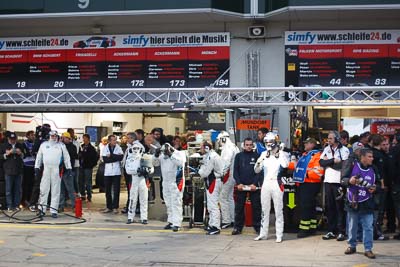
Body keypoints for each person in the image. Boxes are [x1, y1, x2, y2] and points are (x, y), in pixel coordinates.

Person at [342, 148, 378, 259]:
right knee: (352, 226)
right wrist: (350, 181)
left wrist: (375, 188)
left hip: (367, 202)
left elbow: (378, 184)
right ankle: (352, 246)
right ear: (362, 157)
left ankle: (368, 249)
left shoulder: (374, 168)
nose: (372, 158)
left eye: (372, 156)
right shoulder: (352, 165)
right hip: (353, 200)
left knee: (368, 227)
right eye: (369, 156)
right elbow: (342, 180)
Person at [254, 132, 289, 242]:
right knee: (264, 210)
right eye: (266, 142)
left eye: (270, 142)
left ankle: (279, 234)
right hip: (266, 183)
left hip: (277, 183)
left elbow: (285, 165)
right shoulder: (264, 154)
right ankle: (263, 233)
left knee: (278, 210)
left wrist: (279, 152)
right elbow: (256, 170)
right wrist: (259, 162)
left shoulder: (281, 153)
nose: (268, 144)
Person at [291, 137, 324, 238]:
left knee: (306, 207)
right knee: (310, 206)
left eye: (307, 143)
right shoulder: (305, 155)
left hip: (311, 184)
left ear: (312, 144)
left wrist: (304, 174)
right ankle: (312, 227)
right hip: (304, 183)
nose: (304, 145)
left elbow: (318, 172)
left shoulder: (317, 156)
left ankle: (304, 230)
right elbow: (297, 167)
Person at [320, 131, 350, 241]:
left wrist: (329, 163)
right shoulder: (327, 149)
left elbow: (344, 165)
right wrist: (332, 161)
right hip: (328, 181)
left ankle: (341, 231)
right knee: (330, 207)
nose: (328, 140)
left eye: (331, 138)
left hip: (339, 182)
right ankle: (331, 231)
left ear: (336, 138)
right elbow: (321, 162)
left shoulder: (344, 150)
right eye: (328, 138)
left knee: (340, 207)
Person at [35, 131, 72, 218]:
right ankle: (41, 209)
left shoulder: (61, 145)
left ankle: (54, 210)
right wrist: (37, 166)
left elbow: (66, 157)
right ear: (49, 136)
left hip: (56, 169)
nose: (53, 137)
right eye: (52, 135)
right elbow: (39, 156)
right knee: (43, 189)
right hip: (46, 169)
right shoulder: (44, 145)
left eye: (55, 135)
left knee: (56, 190)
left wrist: (69, 167)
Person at [153, 143, 186, 231]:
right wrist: (155, 155)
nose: (164, 153)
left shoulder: (179, 154)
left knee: (176, 203)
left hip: (176, 182)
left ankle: (177, 223)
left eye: (165, 152)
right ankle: (171, 221)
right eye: (163, 152)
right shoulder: (163, 155)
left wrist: (170, 155)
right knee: (168, 202)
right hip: (166, 182)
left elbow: (180, 163)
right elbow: (155, 164)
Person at [232, 138, 261, 235]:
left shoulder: (257, 156)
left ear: (253, 145)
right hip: (241, 186)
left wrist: (254, 184)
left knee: (256, 207)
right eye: (247, 144)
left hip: (253, 186)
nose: (248, 146)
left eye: (250, 144)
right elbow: (235, 171)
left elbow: (259, 172)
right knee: (239, 208)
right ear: (243, 145)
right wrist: (239, 183)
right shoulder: (238, 156)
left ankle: (258, 227)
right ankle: (237, 227)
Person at [198, 141, 224, 235]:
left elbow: (205, 172)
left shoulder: (211, 157)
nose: (200, 149)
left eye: (201, 147)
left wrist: (200, 170)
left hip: (214, 181)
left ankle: (216, 226)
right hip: (213, 180)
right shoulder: (210, 155)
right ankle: (212, 224)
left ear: (206, 148)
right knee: (211, 205)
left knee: (213, 205)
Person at [217, 131, 240, 229]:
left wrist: (222, 173)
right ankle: (232, 219)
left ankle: (226, 220)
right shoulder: (234, 146)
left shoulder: (228, 148)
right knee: (230, 198)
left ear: (223, 139)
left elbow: (226, 162)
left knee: (223, 198)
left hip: (228, 175)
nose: (219, 143)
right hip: (233, 175)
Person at [126, 142, 152, 224]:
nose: (136, 150)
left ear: (141, 149)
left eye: (137, 148)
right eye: (134, 148)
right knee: (132, 199)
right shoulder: (129, 159)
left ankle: (144, 218)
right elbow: (128, 170)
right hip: (134, 180)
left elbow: (151, 169)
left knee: (144, 199)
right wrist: (136, 171)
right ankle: (130, 217)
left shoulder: (145, 157)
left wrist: (147, 171)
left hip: (143, 180)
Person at [0, 132, 24, 211]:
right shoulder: (3, 146)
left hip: (18, 170)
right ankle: (10, 205)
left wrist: (20, 153)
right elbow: (1, 156)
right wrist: (7, 154)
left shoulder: (20, 145)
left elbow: (25, 155)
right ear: (8, 139)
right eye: (11, 139)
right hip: (8, 171)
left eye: (14, 139)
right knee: (8, 190)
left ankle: (16, 205)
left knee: (18, 189)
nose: (13, 141)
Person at [101, 134, 123, 214]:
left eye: (115, 140)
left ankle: (115, 207)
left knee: (116, 190)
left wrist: (111, 156)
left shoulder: (118, 148)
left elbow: (120, 158)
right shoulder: (105, 148)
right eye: (113, 140)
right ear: (109, 141)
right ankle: (108, 206)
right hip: (108, 172)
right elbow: (105, 159)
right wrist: (115, 158)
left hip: (116, 172)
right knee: (108, 191)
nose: (115, 141)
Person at [59, 132, 78, 211]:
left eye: (64, 138)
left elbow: (70, 155)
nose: (63, 139)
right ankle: (61, 205)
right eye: (62, 138)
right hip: (61, 171)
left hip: (68, 171)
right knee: (61, 190)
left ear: (68, 138)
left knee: (70, 189)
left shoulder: (72, 147)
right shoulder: (60, 146)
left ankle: (74, 206)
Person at [121, 132, 138, 213]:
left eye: (128, 138)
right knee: (129, 190)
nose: (126, 140)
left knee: (132, 190)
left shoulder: (136, 147)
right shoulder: (129, 147)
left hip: (132, 173)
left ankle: (131, 207)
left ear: (132, 138)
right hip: (127, 171)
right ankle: (129, 206)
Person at [79, 134, 99, 202]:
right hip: (81, 166)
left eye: (85, 138)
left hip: (88, 167)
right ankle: (83, 195)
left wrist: (92, 164)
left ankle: (89, 195)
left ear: (88, 139)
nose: (84, 139)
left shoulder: (91, 148)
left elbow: (96, 157)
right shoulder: (81, 146)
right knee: (81, 181)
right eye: (83, 138)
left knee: (88, 182)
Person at [21, 130, 35, 207]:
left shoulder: (36, 144)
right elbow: (26, 154)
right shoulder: (24, 144)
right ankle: (24, 200)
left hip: (34, 166)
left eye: (33, 135)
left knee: (32, 184)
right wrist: (31, 152)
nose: (33, 136)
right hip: (26, 166)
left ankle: (30, 199)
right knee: (26, 184)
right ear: (27, 136)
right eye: (31, 135)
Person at [67, 128, 80, 193]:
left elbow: (79, 152)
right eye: (71, 133)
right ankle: (69, 194)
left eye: (73, 132)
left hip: (76, 164)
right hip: (68, 164)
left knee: (75, 180)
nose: (72, 134)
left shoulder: (76, 143)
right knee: (69, 179)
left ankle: (77, 193)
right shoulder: (65, 143)